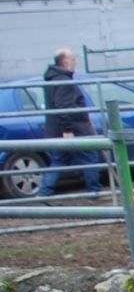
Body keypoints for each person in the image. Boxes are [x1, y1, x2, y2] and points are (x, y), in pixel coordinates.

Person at [36, 48, 105, 197]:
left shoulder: (52, 80)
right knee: (90, 158)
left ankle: (44, 192)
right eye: (73, 59)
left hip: (56, 129)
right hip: (75, 129)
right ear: (65, 61)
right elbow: (64, 106)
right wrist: (68, 130)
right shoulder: (64, 81)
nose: (76, 62)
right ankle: (94, 192)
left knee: (59, 160)